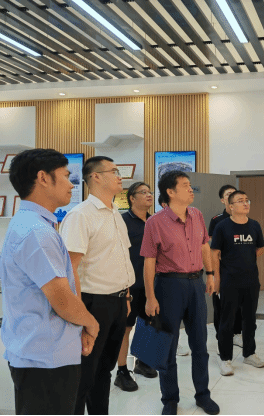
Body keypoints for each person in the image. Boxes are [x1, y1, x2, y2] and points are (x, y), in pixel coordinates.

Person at [0, 149, 99, 415]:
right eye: (66, 176)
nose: (72, 184)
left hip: (42, 354)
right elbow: (61, 299)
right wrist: (91, 323)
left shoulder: (33, 224)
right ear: (43, 178)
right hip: (44, 360)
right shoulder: (36, 232)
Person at [60, 156, 135, 415]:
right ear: (96, 177)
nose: (120, 176)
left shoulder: (115, 213)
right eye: (114, 171)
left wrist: (126, 297)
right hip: (93, 303)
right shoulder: (80, 215)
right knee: (84, 373)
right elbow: (70, 269)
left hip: (118, 301)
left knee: (105, 370)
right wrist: (80, 314)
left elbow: (121, 259)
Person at [141, 171, 220, 416]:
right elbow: (149, 262)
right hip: (169, 286)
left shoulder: (197, 215)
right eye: (185, 185)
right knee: (167, 346)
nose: (190, 189)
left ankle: (203, 394)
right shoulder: (155, 222)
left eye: (190, 185)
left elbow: (204, 246)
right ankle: (169, 399)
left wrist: (210, 274)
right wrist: (150, 297)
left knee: (200, 344)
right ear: (170, 192)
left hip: (196, 284)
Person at [211, 190, 264, 377]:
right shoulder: (222, 226)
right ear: (231, 206)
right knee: (227, 320)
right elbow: (214, 253)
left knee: (249, 320)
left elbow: (260, 247)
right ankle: (225, 358)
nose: (245, 203)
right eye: (240, 201)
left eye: (247, 200)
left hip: (251, 280)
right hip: (229, 281)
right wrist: (216, 278)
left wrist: (245, 258)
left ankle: (249, 353)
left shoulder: (254, 225)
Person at [114, 182, 157, 392]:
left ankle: (142, 361)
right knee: (126, 327)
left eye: (150, 192)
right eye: (143, 192)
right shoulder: (122, 221)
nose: (149, 195)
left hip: (151, 283)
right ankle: (122, 371)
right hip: (129, 285)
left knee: (148, 323)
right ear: (132, 198)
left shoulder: (154, 221)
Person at [208, 185, 243, 350]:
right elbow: (212, 245)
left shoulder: (243, 218)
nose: (232, 196)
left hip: (240, 269)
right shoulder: (217, 220)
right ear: (223, 200)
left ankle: (237, 334)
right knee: (220, 304)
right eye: (228, 194)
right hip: (221, 269)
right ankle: (221, 335)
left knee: (240, 303)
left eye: (234, 193)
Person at [158, 192, 190, 358]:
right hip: (148, 277)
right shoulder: (156, 222)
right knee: (150, 319)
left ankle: (171, 345)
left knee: (170, 317)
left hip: (171, 277)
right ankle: (150, 355)